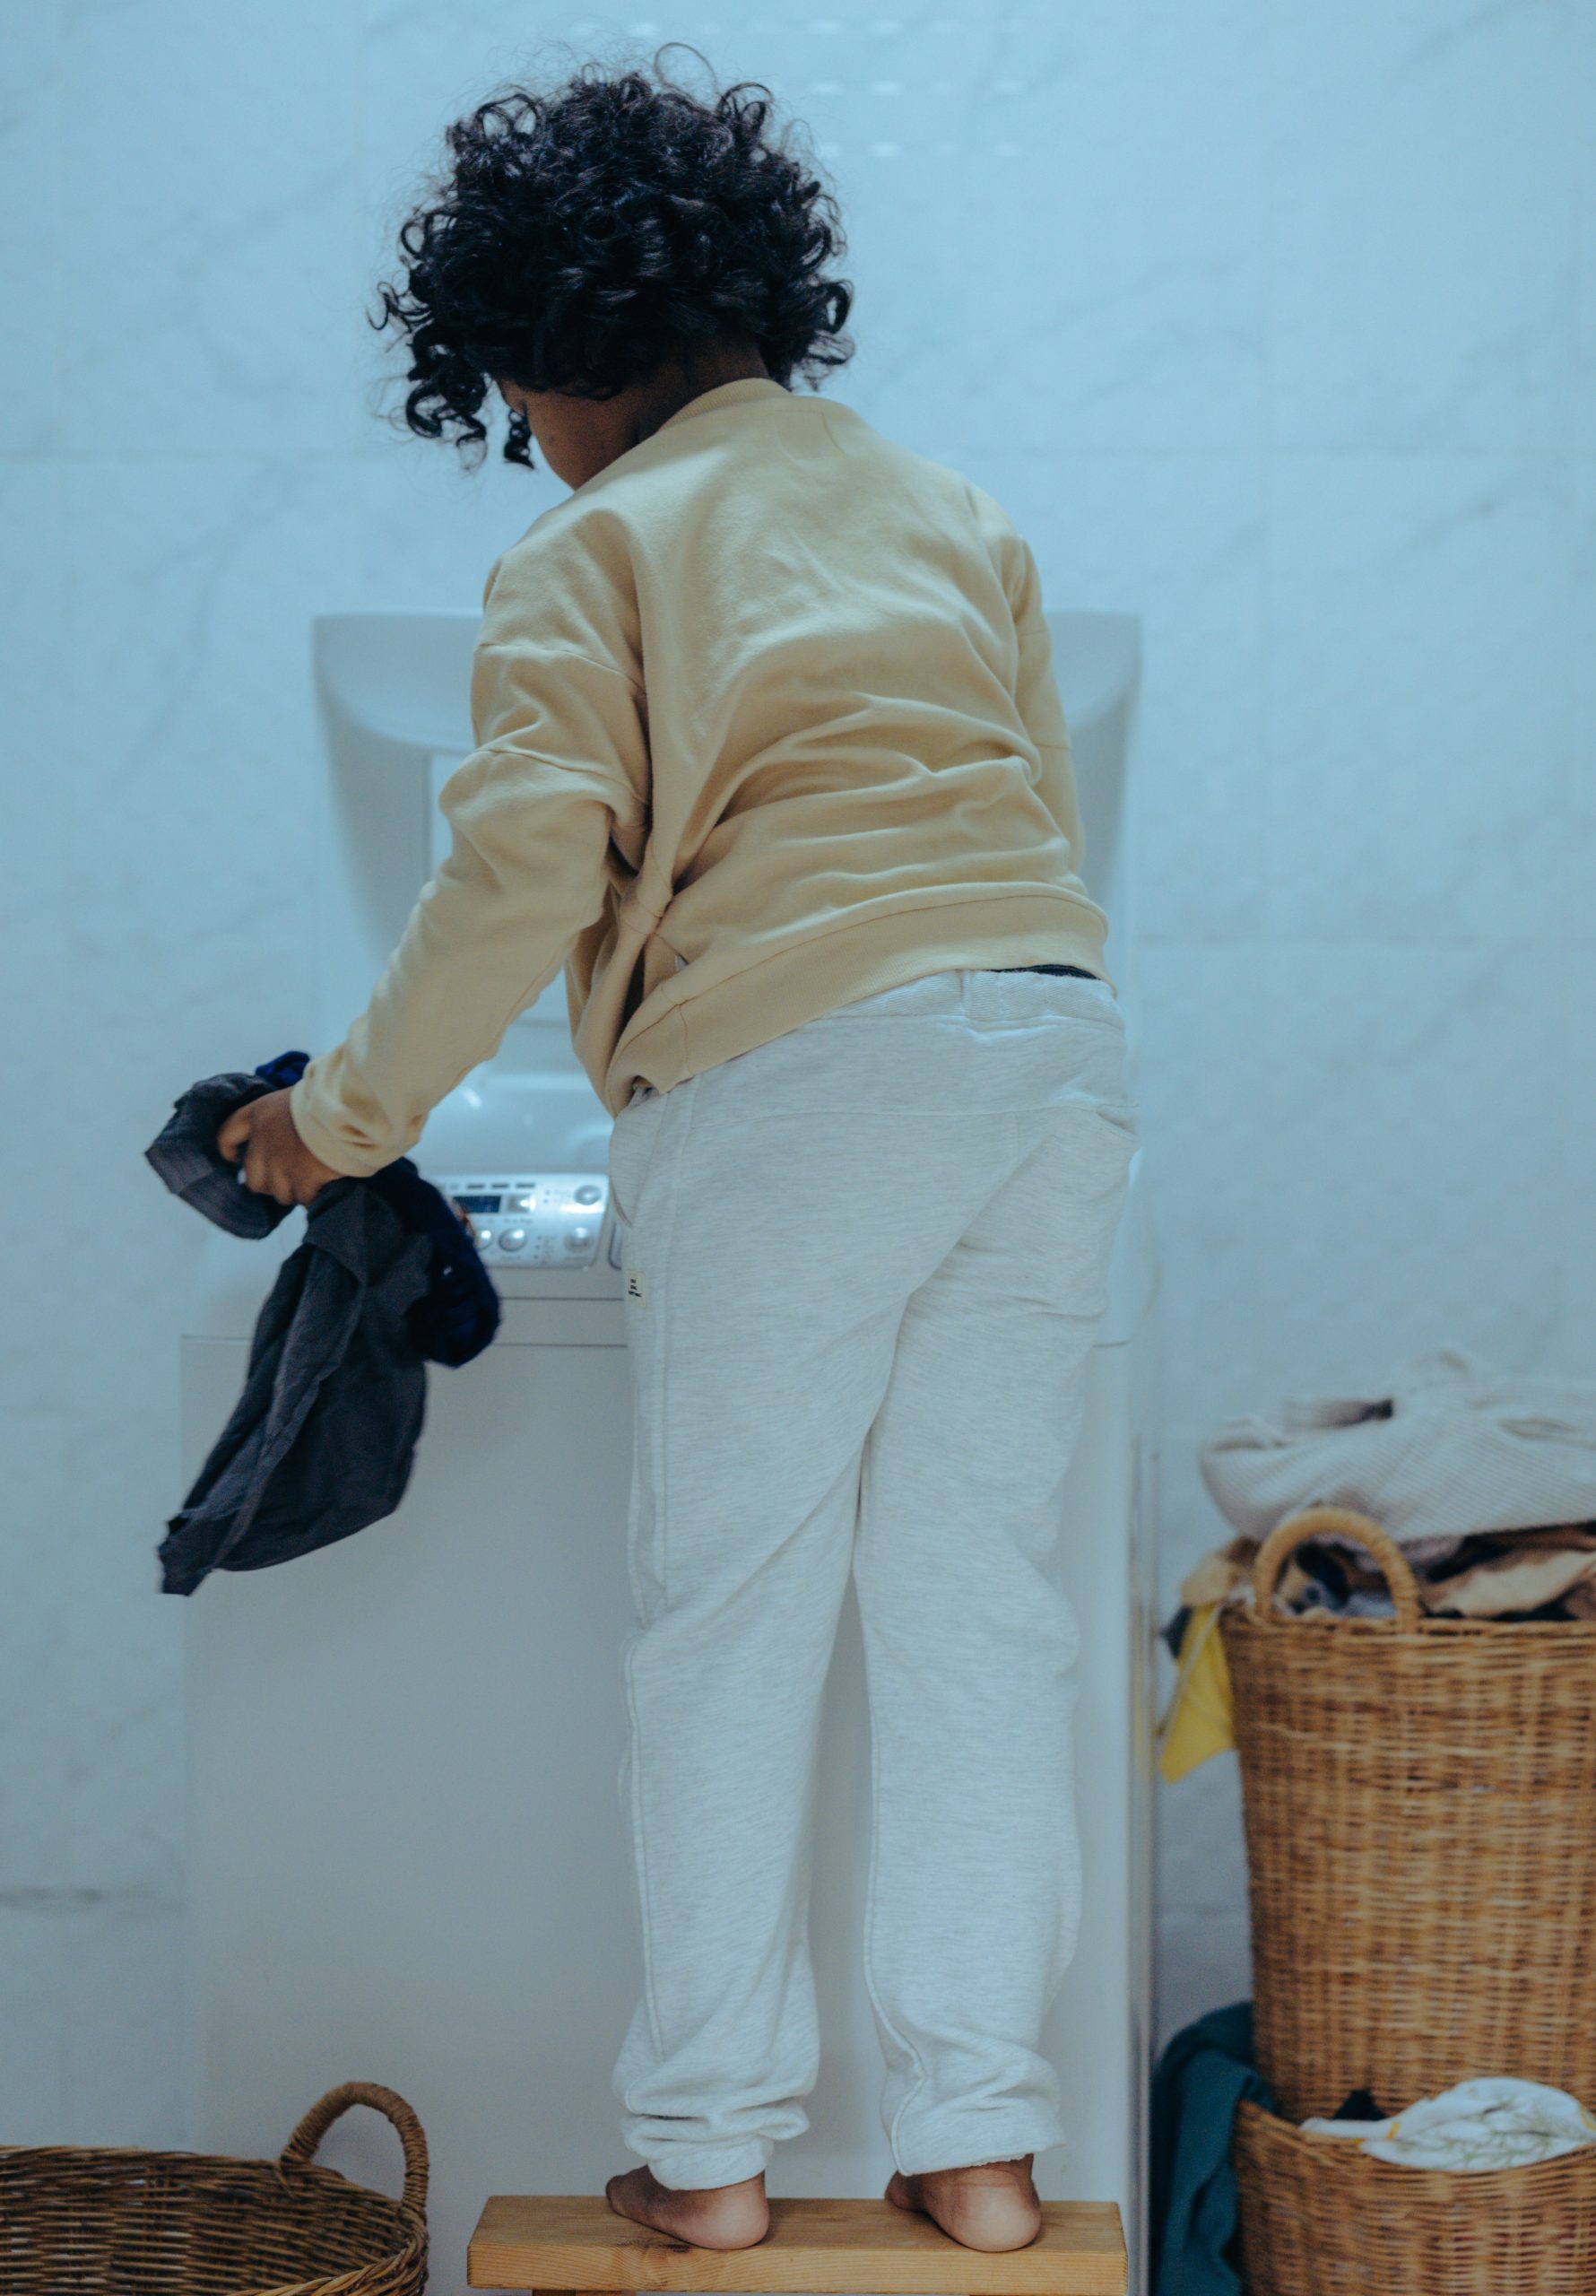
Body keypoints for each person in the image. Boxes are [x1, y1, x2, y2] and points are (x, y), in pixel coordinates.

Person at [219, 45, 1140, 2257]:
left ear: (544, 353)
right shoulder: (952, 511)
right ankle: (983, 2150)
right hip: (1048, 1060)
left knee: (724, 1626)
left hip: (795, 1082)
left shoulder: (589, 550)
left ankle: (711, 2153)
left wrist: (332, 1119)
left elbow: (513, 879)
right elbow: (1010, 827)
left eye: (512, 395)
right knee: (972, 1626)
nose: (519, 435)